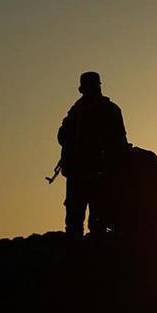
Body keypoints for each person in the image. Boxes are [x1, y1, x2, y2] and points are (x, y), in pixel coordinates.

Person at [57, 72, 128, 239]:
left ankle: (93, 249)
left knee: (97, 219)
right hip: (79, 172)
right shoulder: (77, 111)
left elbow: (119, 142)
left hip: (99, 172)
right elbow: (62, 136)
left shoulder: (107, 110)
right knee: (76, 220)